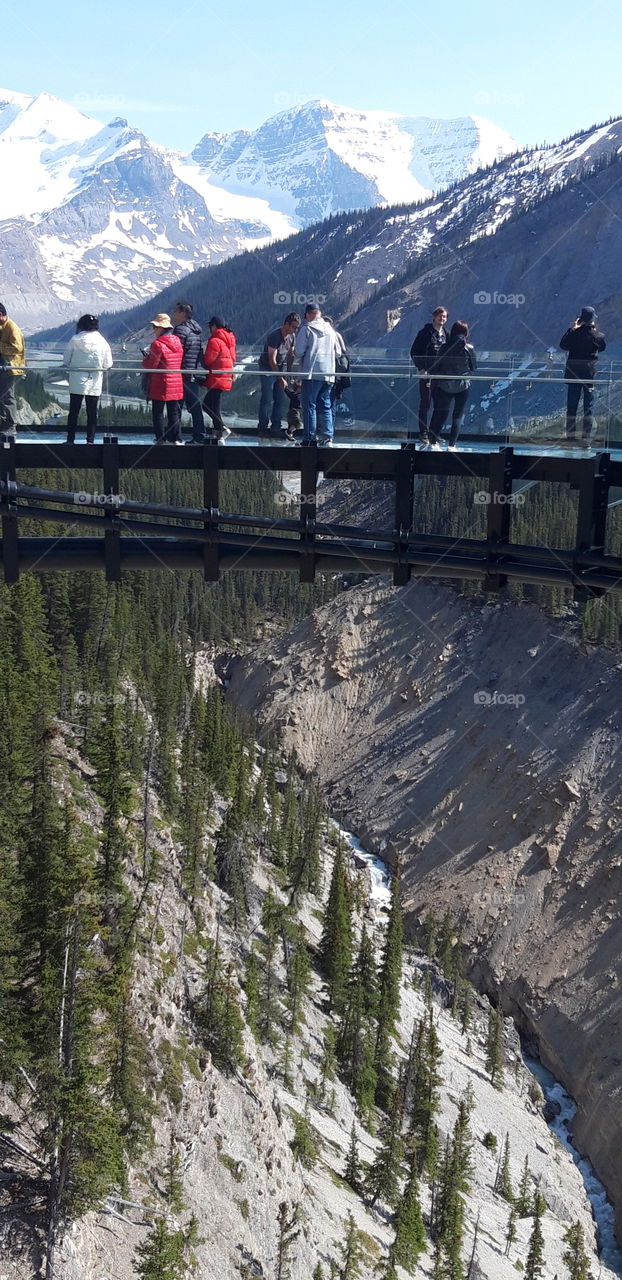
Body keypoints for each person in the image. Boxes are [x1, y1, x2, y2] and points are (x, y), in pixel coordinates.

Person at [294, 305, 340, 445]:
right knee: (325, 405)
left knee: (309, 405)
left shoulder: (307, 328)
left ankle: (309, 438)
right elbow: (338, 352)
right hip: (329, 373)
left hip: (311, 372)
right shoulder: (331, 330)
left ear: (308, 315)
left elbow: (298, 352)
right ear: (319, 314)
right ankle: (327, 437)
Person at [62, 314, 113, 444]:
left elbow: (66, 360)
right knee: (92, 412)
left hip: (76, 379)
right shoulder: (102, 341)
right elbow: (108, 364)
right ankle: (90, 440)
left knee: (73, 411)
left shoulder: (75, 340)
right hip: (95, 380)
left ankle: (70, 439)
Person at [559, 307, 606, 444]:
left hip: (573, 374)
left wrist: (572, 329)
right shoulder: (598, 336)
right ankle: (586, 437)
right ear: (592, 320)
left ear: (580, 319)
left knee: (572, 407)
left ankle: (571, 437)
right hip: (589, 376)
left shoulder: (573, 334)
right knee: (588, 407)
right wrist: (594, 330)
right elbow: (602, 347)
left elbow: (563, 345)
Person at [428, 320, 476, 450]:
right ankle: (452, 445)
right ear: (466, 333)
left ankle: (433, 443)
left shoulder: (444, 347)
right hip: (463, 385)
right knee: (458, 416)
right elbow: (473, 367)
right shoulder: (469, 348)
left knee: (441, 414)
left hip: (444, 385)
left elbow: (436, 366)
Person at [409, 306, 449, 445]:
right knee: (425, 404)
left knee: (439, 405)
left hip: (440, 375)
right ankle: (423, 433)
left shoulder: (446, 334)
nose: (442, 319)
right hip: (427, 374)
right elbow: (414, 351)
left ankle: (434, 433)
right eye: (440, 316)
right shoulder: (425, 332)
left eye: (444, 317)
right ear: (434, 316)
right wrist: (421, 368)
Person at [142, 313, 184, 444]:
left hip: (160, 382)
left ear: (161, 328)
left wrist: (145, 360)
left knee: (158, 413)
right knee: (174, 412)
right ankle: (176, 438)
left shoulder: (157, 344)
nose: (154, 329)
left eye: (155, 326)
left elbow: (152, 366)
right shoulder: (178, 342)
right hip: (176, 381)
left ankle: (160, 438)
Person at [257, 312, 301, 436]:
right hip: (267, 368)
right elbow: (272, 358)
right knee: (267, 397)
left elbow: (290, 354)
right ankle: (263, 427)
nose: (295, 330)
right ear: (286, 324)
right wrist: (280, 377)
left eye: (297, 327)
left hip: (280, 367)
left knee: (280, 398)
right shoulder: (274, 336)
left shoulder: (292, 337)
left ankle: (276, 427)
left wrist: (288, 371)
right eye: (293, 327)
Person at [172, 300, 205, 444]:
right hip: (194, 372)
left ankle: (175, 436)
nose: (174, 314)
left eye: (176, 311)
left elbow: (176, 351)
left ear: (183, 313)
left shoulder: (180, 330)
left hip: (182, 372)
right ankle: (199, 435)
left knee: (176, 406)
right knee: (194, 406)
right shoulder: (196, 330)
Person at [202, 316, 236, 442]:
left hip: (217, 377)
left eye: (210, 326)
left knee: (210, 406)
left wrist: (202, 358)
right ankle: (220, 430)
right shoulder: (229, 340)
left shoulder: (214, 341)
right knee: (210, 405)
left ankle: (221, 430)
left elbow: (208, 360)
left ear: (214, 326)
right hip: (225, 376)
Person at [0, 303, 25, 436]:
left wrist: (0, 347)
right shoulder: (3, 327)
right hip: (4, 367)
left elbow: (17, 348)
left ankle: (10, 426)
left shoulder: (12, 328)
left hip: (11, 368)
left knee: (7, 397)